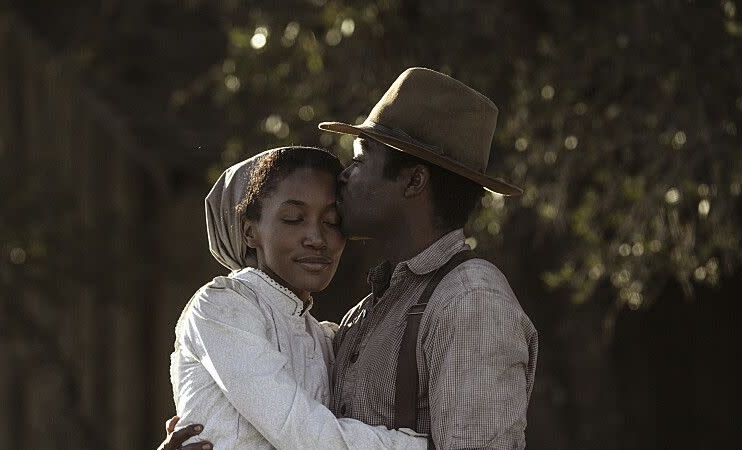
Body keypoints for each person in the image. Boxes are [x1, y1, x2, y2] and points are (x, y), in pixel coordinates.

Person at [164, 67, 538, 449]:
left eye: (360, 161)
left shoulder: (470, 299)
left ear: (413, 181)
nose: (344, 176)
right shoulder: (361, 318)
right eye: (294, 218)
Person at [167, 146, 428, 449]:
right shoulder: (222, 307)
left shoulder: (325, 340)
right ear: (250, 232)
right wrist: (420, 446)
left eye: (331, 222)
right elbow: (299, 429)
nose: (316, 238)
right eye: (293, 218)